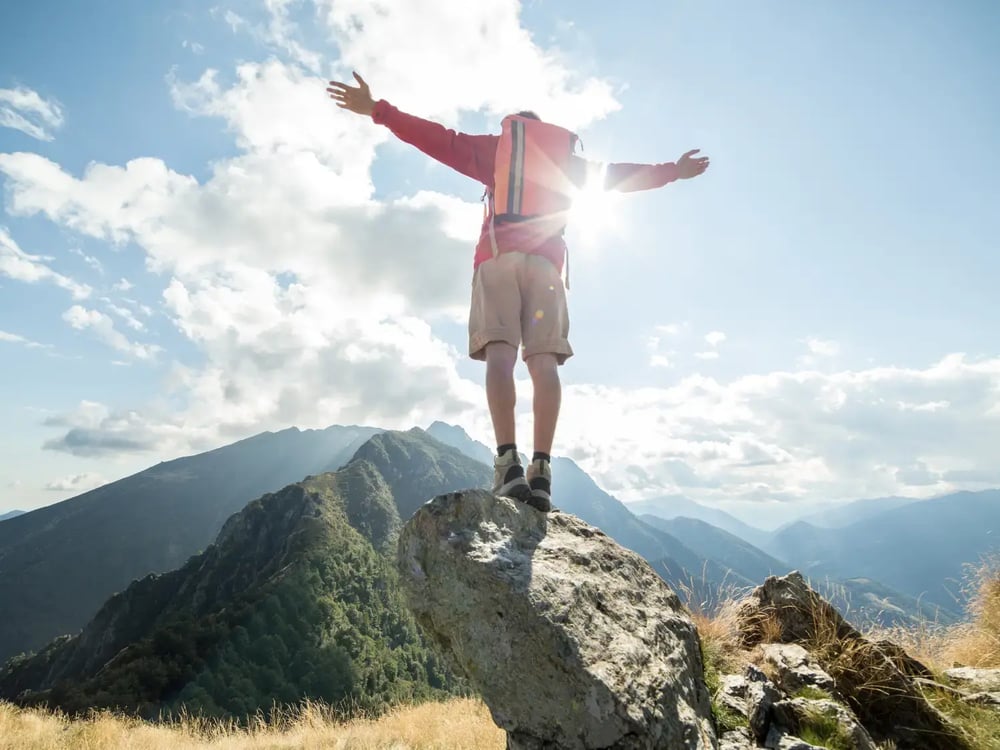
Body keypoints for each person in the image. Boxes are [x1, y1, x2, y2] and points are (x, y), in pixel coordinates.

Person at [327, 72, 709, 513]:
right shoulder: (567, 163)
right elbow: (619, 177)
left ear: (515, 131)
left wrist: (379, 110)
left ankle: (508, 465)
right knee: (544, 365)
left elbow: (435, 139)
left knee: (501, 357)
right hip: (546, 267)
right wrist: (673, 172)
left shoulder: (497, 150)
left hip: (497, 259)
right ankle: (541, 471)